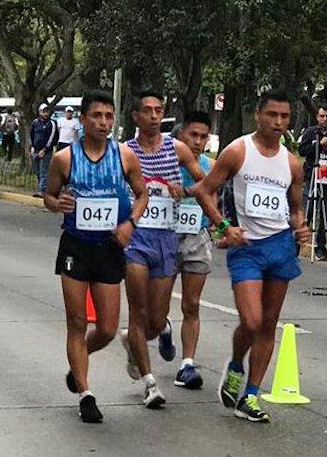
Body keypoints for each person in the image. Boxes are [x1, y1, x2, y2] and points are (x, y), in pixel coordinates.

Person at [193, 90, 309, 423]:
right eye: (272, 115)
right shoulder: (238, 151)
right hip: (246, 248)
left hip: (280, 247)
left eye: (284, 117)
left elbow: (295, 208)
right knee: (251, 321)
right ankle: (235, 364)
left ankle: (251, 396)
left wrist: (301, 227)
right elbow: (204, 190)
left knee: (268, 324)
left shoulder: (291, 163)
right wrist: (224, 227)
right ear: (258, 115)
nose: (278, 122)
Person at [44, 90, 149, 423]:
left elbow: (142, 194)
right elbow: (49, 196)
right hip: (76, 246)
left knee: (106, 328)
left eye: (108, 116)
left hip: (109, 247)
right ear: (83, 119)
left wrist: (131, 223)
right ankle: (86, 394)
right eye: (96, 116)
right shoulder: (64, 159)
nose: (103, 122)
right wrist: (57, 203)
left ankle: (79, 360)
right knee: (77, 322)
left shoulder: (124, 156)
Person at [120, 91, 205, 410]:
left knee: (155, 321)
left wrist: (185, 190)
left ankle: (138, 342)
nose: (154, 116)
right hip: (137, 239)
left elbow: (206, 182)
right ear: (136, 117)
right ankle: (150, 383)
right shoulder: (125, 151)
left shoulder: (176, 148)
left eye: (159, 110)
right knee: (138, 312)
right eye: (147, 110)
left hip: (166, 239)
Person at [172, 110, 215, 390]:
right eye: (193, 135)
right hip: (164, 238)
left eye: (203, 137)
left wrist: (218, 228)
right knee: (155, 311)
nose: (198, 142)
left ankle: (187, 364)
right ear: (181, 136)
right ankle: (163, 330)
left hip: (197, 238)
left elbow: (212, 196)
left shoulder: (210, 167)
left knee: (192, 304)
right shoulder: (165, 161)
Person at [297, 105, 327, 260]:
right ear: (317, 117)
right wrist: (318, 144)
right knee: (307, 212)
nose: (325, 119)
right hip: (313, 177)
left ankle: (321, 246)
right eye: (322, 116)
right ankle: (296, 244)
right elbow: (302, 150)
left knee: (326, 215)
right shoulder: (311, 132)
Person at [30, 103, 57, 197]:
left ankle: (43, 190)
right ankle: (41, 187)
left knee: (43, 171)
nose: (45, 114)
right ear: (40, 112)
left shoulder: (52, 123)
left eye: (47, 111)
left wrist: (45, 149)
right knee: (37, 170)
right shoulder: (35, 122)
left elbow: (52, 138)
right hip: (35, 150)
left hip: (46, 151)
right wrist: (33, 147)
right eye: (43, 111)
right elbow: (32, 134)